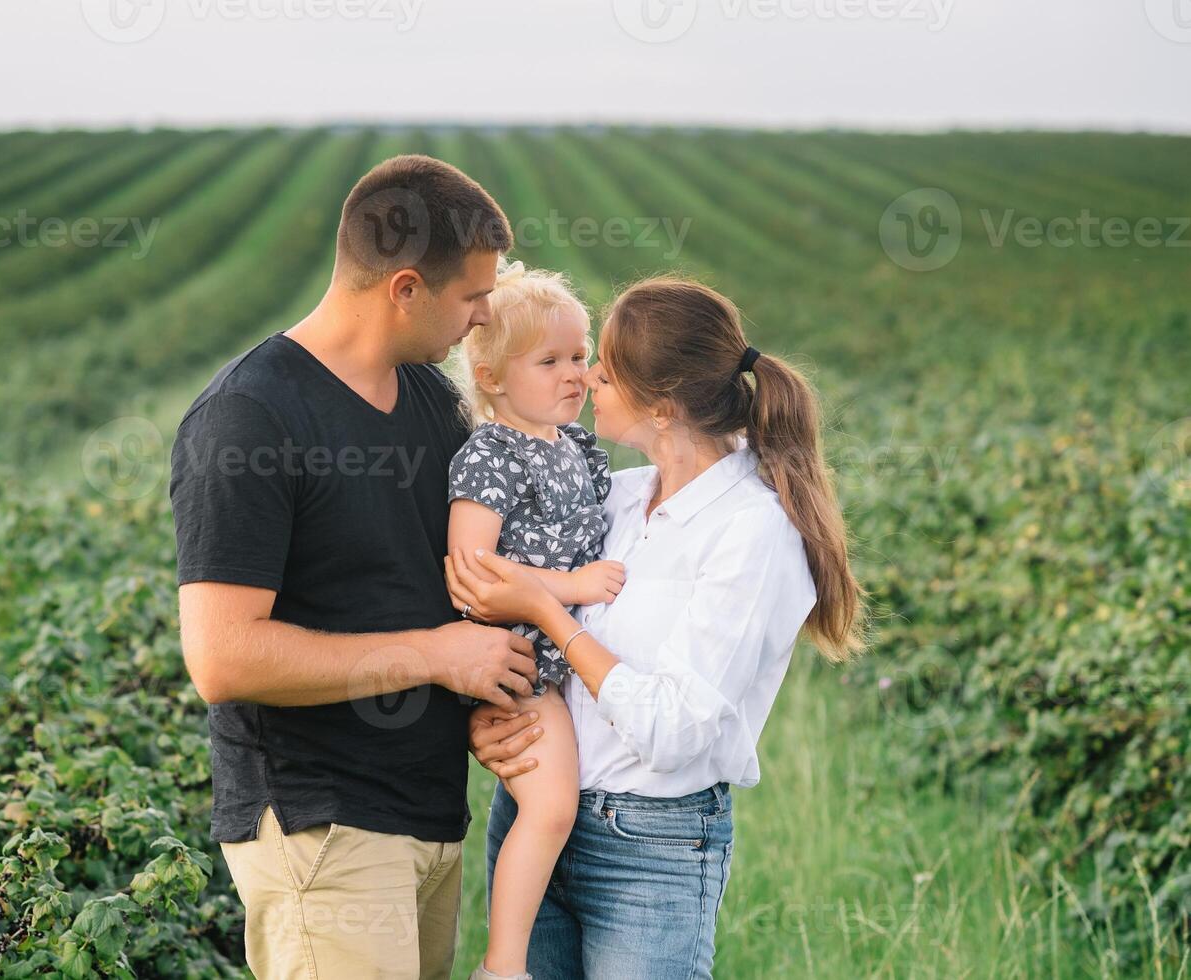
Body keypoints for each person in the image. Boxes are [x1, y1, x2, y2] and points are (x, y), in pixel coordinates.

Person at [170, 154, 535, 980]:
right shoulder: (250, 418)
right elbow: (223, 657)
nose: (484, 316)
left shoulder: (432, 402)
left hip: (430, 813)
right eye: (473, 295)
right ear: (405, 288)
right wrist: (441, 654)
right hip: (323, 824)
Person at [450, 273, 865, 979]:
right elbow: (501, 595)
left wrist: (546, 607)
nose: (587, 379)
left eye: (604, 369)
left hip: (649, 849)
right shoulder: (617, 497)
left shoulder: (751, 532)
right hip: (537, 812)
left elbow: (674, 730)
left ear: (664, 408)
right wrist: (489, 718)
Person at [445, 259, 625, 980]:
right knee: (550, 809)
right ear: (491, 378)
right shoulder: (492, 454)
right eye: (549, 361)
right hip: (516, 664)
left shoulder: (576, 447)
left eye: (581, 357)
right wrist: (570, 585)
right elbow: (471, 570)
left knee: (558, 808)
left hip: (560, 662)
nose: (574, 374)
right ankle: (503, 966)